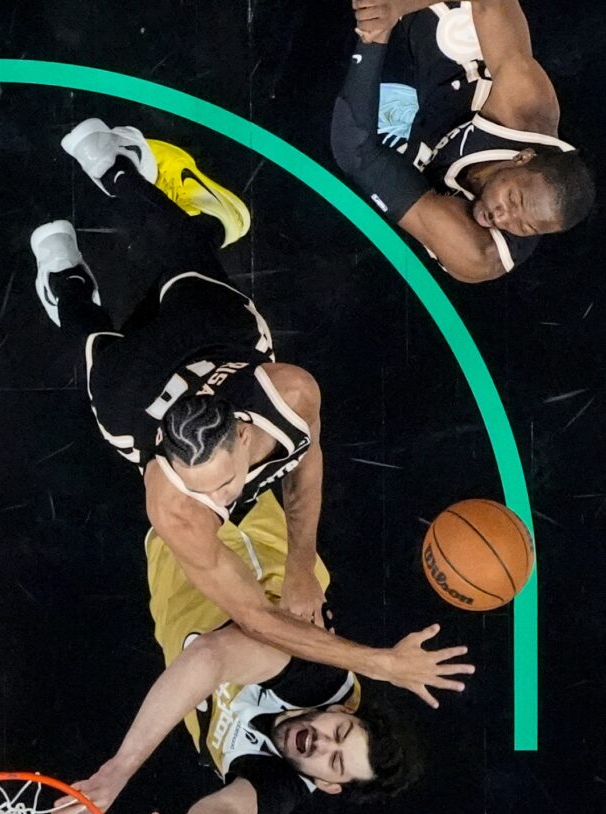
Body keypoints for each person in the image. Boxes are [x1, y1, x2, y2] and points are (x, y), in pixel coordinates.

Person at [29, 117, 472, 694]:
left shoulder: (289, 392)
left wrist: (302, 566)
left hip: (206, 335)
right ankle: (91, 222)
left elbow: (304, 458)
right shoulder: (175, 504)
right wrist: (349, 626)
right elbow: (260, 616)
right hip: (135, 387)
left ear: (241, 433)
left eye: (220, 486)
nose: (218, 500)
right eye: (208, 489)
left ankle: (95, 221)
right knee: (102, 340)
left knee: (182, 256)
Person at [52, 491, 474, 814]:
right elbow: (210, 657)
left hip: (165, 549)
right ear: (341, 712)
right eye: (339, 734)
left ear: (328, 785)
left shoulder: (282, 784)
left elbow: (232, 810)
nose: (322, 744)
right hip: (226, 518)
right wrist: (121, 766)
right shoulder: (315, 680)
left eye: (335, 763)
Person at [331, 0, 596, 282]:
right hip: (458, 51)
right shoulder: (526, 108)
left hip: (425, 100)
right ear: (523, 157)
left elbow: (356, 152)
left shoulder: (475, 252)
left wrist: (373, 38)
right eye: (512, 199)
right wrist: (396, 8)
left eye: (524, 227)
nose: (502, 218)